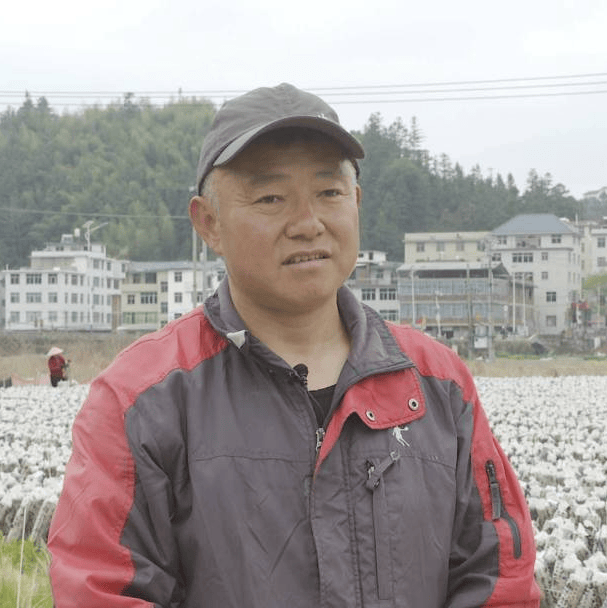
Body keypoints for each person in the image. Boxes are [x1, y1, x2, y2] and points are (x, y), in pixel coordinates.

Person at [48, 83, 540, 607]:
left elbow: (500, 579)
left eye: (329, 193)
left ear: (356, 202)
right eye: (270, 198)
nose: (308, 224)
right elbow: (101, 589)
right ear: (208, 223)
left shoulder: (438, 382)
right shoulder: (141, 400)